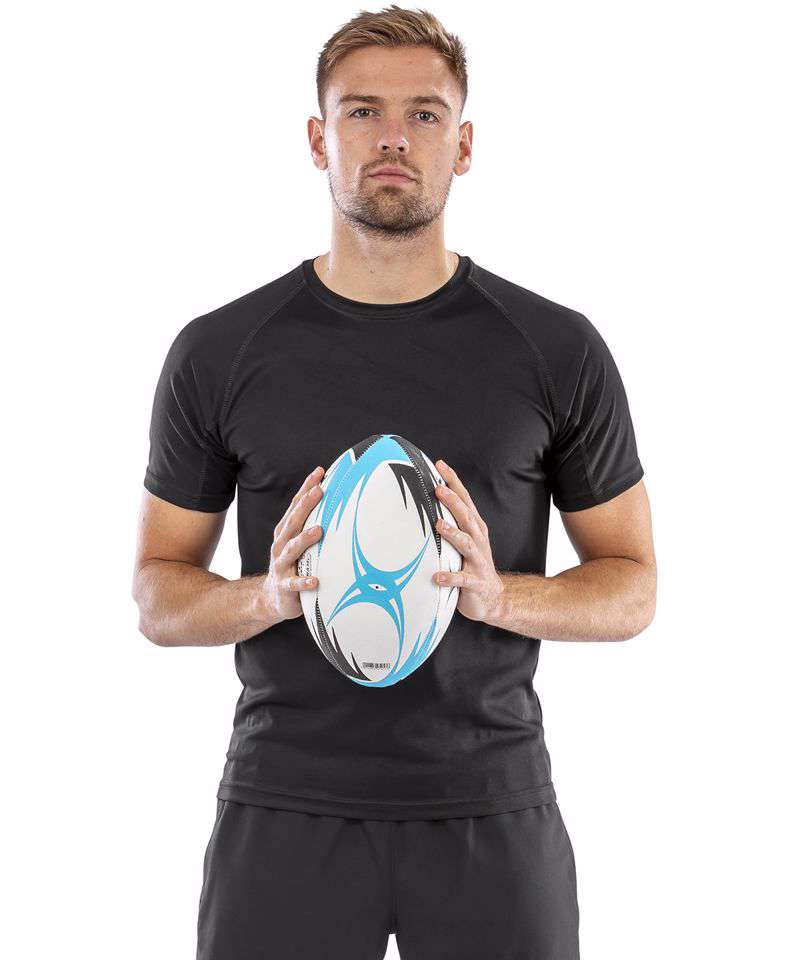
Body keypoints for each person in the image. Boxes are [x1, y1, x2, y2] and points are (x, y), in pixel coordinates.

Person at [132, 5, 656, 958]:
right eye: (362, 111)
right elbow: (157, 596)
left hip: (490, 803)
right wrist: (266, 596)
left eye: (423, 114)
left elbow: (633, 588)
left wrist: (500, 597)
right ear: (317, 139)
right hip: (284, 803)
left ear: (464, 145)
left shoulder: (555, 348)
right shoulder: (220, 351)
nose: (391, 138)